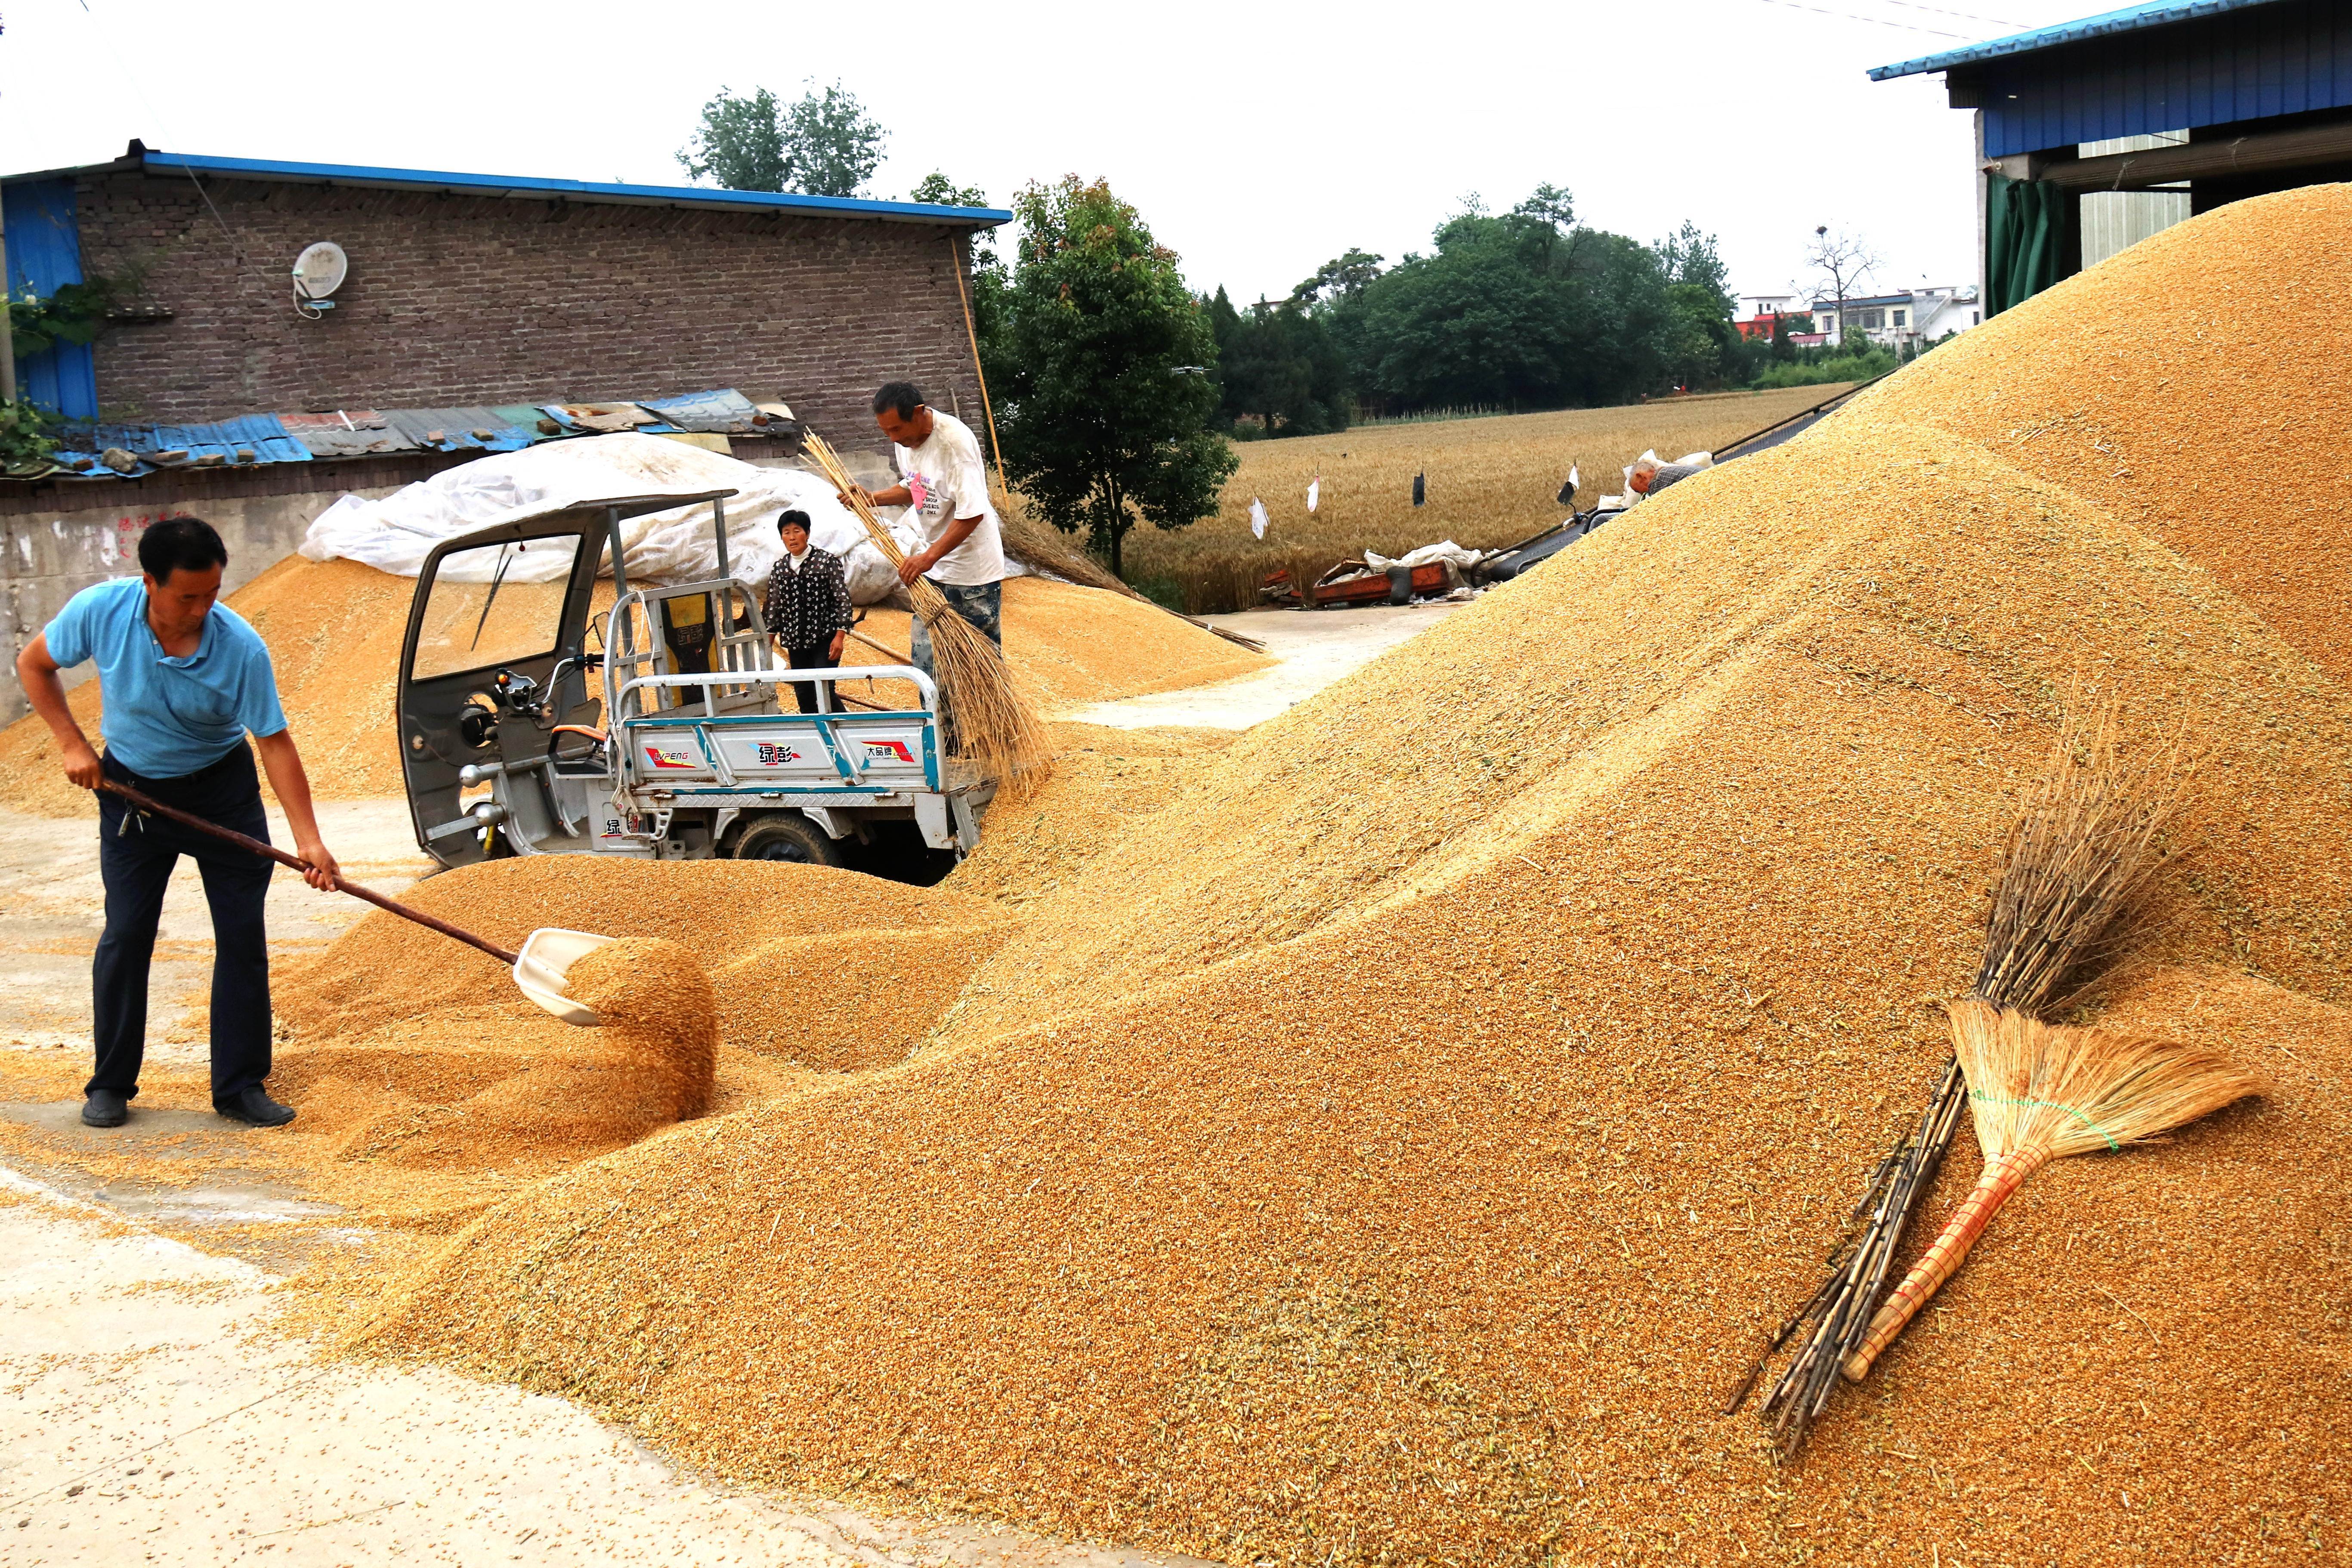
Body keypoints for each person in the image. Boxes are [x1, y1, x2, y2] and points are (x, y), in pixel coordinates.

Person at [14, 516, 340, 1131]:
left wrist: (310, 841)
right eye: (186, 596)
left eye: (212, 593)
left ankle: (240, 1085)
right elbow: (34, 664)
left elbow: (273, 744)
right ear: (149, 583)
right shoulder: (102, 611)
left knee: (242, 936)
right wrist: (72, 744)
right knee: (127, 932)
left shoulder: (239, 646)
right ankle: (110, 1082)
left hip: (222, 793)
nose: (200, 609)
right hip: (133, 794)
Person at [836, 381, 1004, 741]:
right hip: (936, 569)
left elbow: (973, 513)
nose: (894, 438)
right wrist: (872, 498)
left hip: (974, 571)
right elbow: (917, 487)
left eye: (897, 429)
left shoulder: (953, 445)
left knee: (981, 663)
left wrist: (927, 556)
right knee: (927, 659)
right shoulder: (907, 444)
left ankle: (995, 736)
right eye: (886, 432)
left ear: (919, 412)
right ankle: (946, 742)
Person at [762, 509, 853, 714]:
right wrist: (767, 640)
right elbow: (774, 606)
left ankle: (849, 732)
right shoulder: (780, 569)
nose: (792, 537)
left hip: (824, 638)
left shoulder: (826, 562)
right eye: (787, 532)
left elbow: (843, 599)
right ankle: (816, 737)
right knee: (804, 693)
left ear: (808, 533)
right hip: (796, 641)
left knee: (824, 690)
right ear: (782, 537)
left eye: (797, 531)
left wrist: (840, 636)